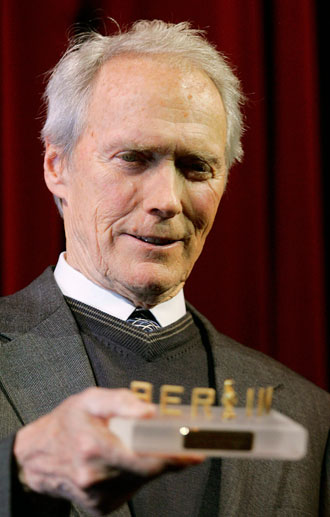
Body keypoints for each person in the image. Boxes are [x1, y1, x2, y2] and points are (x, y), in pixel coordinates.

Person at [0, 20, 329, 517]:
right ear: (56, 166)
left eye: (196, 167)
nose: (167, 201)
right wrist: (19, 471)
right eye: (133, 158)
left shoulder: (307, 415)